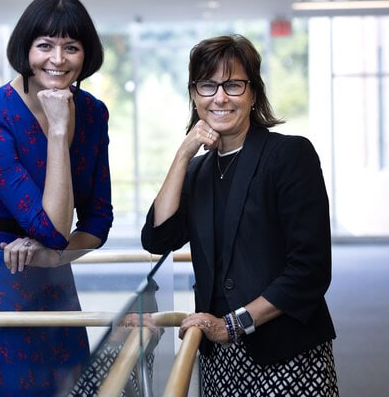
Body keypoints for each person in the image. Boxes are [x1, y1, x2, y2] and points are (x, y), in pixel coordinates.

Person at [0, 0, 113, 396]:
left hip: (51, 275)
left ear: (86, 54)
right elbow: (50, 227)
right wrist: (57, 129)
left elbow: (98, 218)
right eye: (45, 45)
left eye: (72, 47)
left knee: (59, 386)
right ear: (25, 49)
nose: (58, 59)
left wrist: (55, 255)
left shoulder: (93, 112)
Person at [141, 34, 339, 396]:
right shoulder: (198, 171)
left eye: (233, 85)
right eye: (207, 86)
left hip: (285, 351)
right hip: (220, 355)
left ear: (253, 93)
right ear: (194, 94)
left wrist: (235, 324)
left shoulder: (289, 155)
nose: (219, 97)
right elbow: (158, 239)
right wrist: (184, 154)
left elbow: (310, 271)